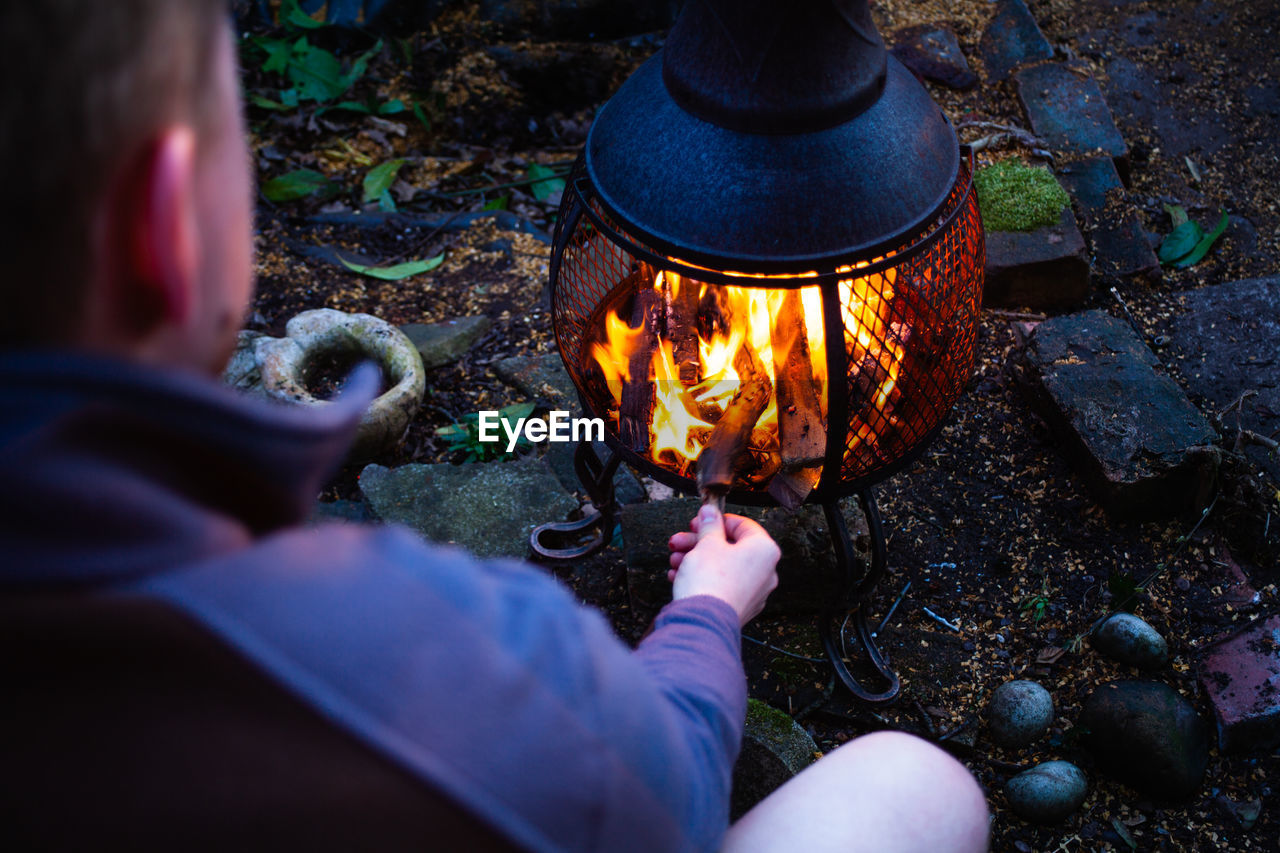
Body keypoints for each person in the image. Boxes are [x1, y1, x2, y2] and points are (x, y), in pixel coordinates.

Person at [0, 2, 990, 851]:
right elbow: (667, 794)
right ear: (163, 224)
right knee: (918, 786)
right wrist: (704, 617)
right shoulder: (411, 660)